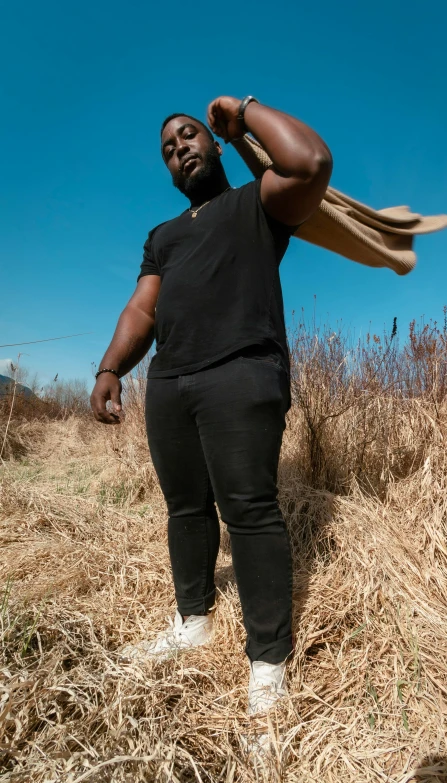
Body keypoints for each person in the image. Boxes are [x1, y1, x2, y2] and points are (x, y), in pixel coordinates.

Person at [90, 95, 332, 714]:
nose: (180, 148)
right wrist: (111, 366)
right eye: (169, 148)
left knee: (249, 509)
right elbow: (143, 308)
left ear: (215, 143)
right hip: (170, 381)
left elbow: (310, 162)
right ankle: (193, 621)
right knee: (186, 510)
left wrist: (243, 109)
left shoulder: (257, 200)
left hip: (243, 369)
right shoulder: (163, 236)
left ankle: (267, 661)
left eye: (190, 136)